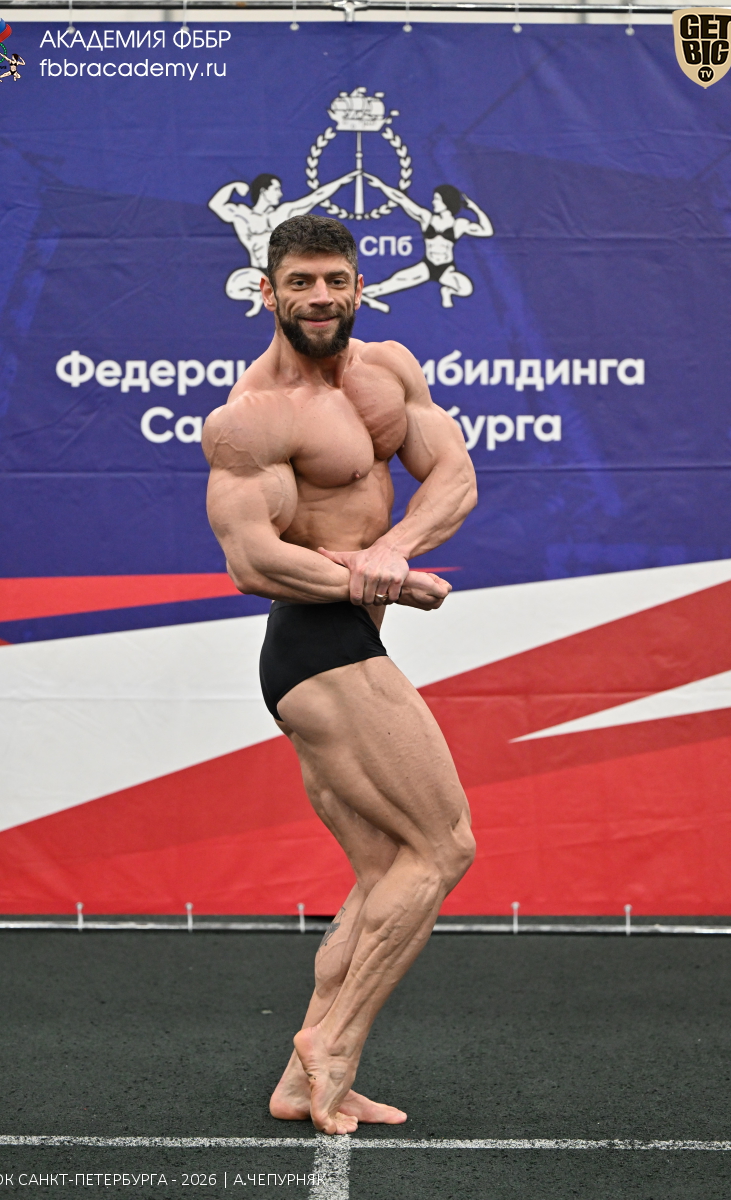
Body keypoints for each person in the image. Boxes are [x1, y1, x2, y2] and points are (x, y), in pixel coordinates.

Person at [202, 214, 477, 1135]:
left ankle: (299, 1080)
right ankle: (336, 1043)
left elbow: (454, 476)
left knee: (385, 868)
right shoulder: (252, 416)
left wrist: (393, 552)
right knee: (444, 846)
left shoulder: (390, 370)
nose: (319, 297)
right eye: (301, 282)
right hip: (316, 645)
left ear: (359, 286)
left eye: (334, 280)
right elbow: (251, 559)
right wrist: (365, 577)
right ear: (269, 292)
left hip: (349, 633)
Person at [209, 171, 359, 317]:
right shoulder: (243, 215)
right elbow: (215, 204)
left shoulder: (283, 213)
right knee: (233, 287)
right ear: (264, 191)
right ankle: (258, 297)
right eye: (276, 189)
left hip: (283, 273)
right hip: (256, 272)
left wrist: (343, 180)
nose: (280, 194)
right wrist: (234, 186)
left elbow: (315, 197)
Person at [360, 178, 493, 312]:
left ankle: (447, 291)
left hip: (446, 269)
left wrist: (475, 209)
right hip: (427, 266)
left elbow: (487, 231)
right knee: (385, 286)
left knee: (466, 289)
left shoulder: (459, 224)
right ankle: (361, 297)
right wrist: (381, 185)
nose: (433, 202)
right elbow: (402, 200)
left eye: (437, 199)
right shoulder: (427, 217)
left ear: (446, 201)